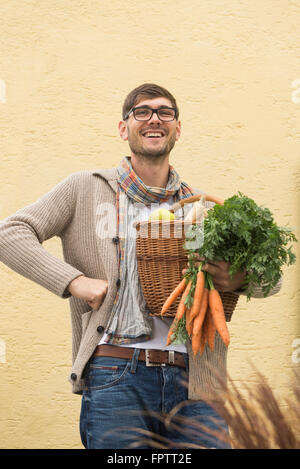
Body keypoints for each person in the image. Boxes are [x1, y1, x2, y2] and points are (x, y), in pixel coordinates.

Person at [0, 83, 281, 449]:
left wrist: (238, 278)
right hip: (116, 373)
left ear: (177, 129)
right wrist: (75, 282)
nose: (154, 119)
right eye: (142, 111)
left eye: (165, 112)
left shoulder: (203, 211)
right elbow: (10, 233)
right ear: (124, 128)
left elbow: (270, 280)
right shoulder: (85, 188)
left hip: (196, 379)